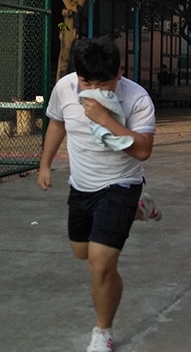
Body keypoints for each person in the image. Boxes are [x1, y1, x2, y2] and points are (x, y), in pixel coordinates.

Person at [37, 36, 160, 352]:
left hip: (121, 184)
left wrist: (105, 119)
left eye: (102, 84)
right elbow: (57, 123)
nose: (92, 90)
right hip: (81, 185)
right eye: (85, 82)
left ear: (119, 73)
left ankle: (102, 331)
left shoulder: (137, 98)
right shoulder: (65, 88)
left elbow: (143, 150)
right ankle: (139, 209)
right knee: (82, 252)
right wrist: (45, 165)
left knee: (100, 264)